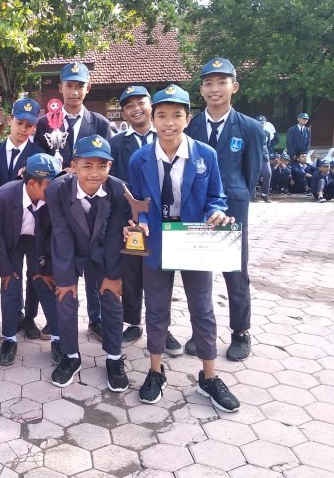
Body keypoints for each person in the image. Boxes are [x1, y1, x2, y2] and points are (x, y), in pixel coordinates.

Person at [128, 84, 240, 412]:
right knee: (156, 309)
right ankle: (155, 370)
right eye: (161, 115)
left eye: (176, 115)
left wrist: (216, 212)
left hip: (194, 239)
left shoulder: (205, 155)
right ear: (153, 119)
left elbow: (216, 196)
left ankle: (209, 377)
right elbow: (138, 201)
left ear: (187, 119)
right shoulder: (139, 159)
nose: (169, 123)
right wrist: (142, 221)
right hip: (157, 240)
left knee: (202, 308)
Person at [184, 58, 264, 361]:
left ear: (235, 86)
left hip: (232, 209)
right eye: (208, 83)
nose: (214, 89)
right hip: (196, 208)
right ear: (201, 89)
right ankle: (200, 330)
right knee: (197, 272)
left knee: (235, 272)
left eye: (221, 82)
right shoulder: (190, 126)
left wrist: (237, 198)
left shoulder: (250, 128)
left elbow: (252, 173)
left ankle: (240, 332)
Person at [34, 62, 113, 342]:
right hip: (58, 202)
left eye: (80, 86)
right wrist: (59, 172)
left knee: (93, 262)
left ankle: (96, 318)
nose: (74, 91)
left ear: (88, 88)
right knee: (60, 257)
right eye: (69, 85)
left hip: (90, 203)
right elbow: (39, 159)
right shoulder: (45, 122)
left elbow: (108, 163)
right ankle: (56, 317)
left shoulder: (101, 123)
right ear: (61, 88)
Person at [45, 135, 129, 390]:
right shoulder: (57, 190)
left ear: (110, 166)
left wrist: (113, 276)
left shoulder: (117, 190)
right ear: (73, 166)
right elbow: (61, 233)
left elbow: (114, 235)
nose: (95, 173)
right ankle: (71, 356)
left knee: (112, 298)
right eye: (87, 166)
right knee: (66, 297)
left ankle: (114, 357)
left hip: (103, 250)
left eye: (102, 166)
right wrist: (66, 279)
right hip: (71, 249)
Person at [108, 85, 183, 355]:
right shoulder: (117, 143)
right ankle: (133, 322)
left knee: (162, 276)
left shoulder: (169, 135)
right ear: (124, 113)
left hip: (165, 220)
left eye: (140, 102)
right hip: (130, 222)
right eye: (129, 106)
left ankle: (162, 327)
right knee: (131, 273)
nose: (136, 109)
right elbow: (111, 181)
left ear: (151, 105)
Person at [0, 153, 61, 367]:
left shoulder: (54, 199)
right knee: (10, 283)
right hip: (10, 241)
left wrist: (47, 267)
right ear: (32, 184)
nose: (56, 189)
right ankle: (9, 339)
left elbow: (54, 234)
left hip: (37, 241)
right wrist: (4, 268)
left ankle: (58, 338)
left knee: (44, 282)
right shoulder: (1, 197)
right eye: (50, 185)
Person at [0, 98, 47, 338]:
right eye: (20, 123)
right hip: (5, 228)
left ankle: (30, 317)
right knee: (10, 274)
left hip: (32, 225)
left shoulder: (39, 154)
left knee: (34, 274)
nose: (24, 129)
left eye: (29, 125)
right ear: (10, 120)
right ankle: (14, 317)